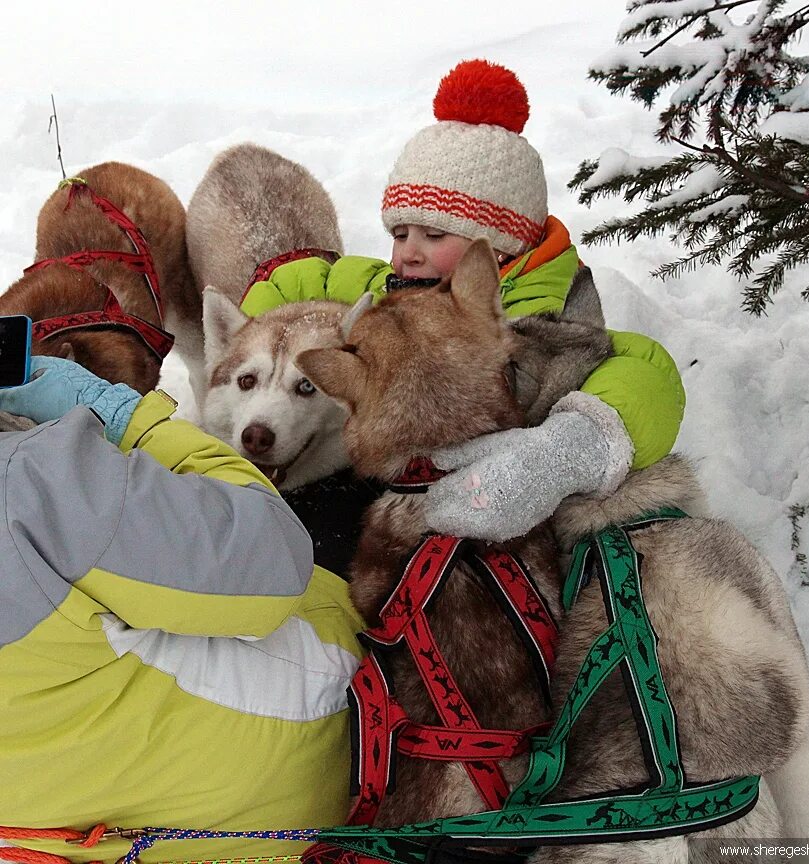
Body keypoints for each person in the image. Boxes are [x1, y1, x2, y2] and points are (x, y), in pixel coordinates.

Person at [238, 59, 686, 542]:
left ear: (497, 248)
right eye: (400, 233)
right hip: (401, 483)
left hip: (489, 515)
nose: (409, 253)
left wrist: (568, 448)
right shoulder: (398, 290)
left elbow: (644, 366)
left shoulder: (540, 314)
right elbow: (309, 279)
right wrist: (253, 327)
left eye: (434, 235)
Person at [0, 357, 364, 864]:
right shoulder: (32, 485)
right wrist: (130, 421)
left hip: (124, 837)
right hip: (337, 747)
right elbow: (270, 559)